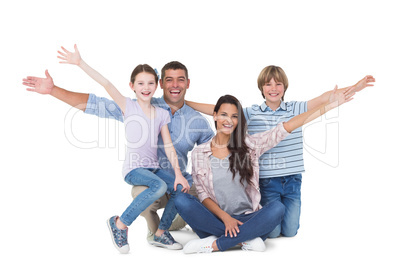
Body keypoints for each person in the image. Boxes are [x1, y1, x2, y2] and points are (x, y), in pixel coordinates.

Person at [23, 55, 214, 244]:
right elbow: (98, 103)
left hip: (174, 179)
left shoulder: (192, 120)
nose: (175, 85)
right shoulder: (137, 105)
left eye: (180, 80)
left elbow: (212, 153)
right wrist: (53, 90)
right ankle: (149, 229)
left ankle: (172, 225)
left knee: (198, 187)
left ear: (187, 83)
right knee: (147, 191)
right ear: (161, 84)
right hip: (147, 175)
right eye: (169, 80)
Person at [185, 68, 375, 238]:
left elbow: (321, 101)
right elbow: (223, 110)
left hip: (289, 180)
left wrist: (354, 89)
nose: (273, 88)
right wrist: (183, 102)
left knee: (289, 230)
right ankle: (239, 237)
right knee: (272, 233)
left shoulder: (286, 116)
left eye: (278, 84)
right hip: (267, 180)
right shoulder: (250, 114)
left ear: (285, 87)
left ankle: (223, 241)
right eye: (268, 84)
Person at [175, 89, 356, 253]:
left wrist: (330, 105)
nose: (228, 120)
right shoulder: (200, 152)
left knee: (277, 208)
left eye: (234, 116)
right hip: (216, 219)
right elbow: (203, 194)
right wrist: (226, 219)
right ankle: (245, 239)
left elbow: (287, 126)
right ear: (214, 116)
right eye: (223, 114)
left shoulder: (250, 145)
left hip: (248, 218)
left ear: (239, 120)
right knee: (182, 200)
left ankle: (215, 244)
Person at [57, 44, 193, 253]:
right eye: (140, 83)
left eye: (150, 83)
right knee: (159, 187)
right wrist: (80, 63)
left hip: (154, 169)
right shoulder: (128, 106)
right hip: (134, 170)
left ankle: (160, 233)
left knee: (179, 186)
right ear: (132, 86)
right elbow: (105, 83)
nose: (145, 87)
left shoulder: (161, 114)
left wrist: (178, 175)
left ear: (156, 86)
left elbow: (169, 147)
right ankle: (120, 223)